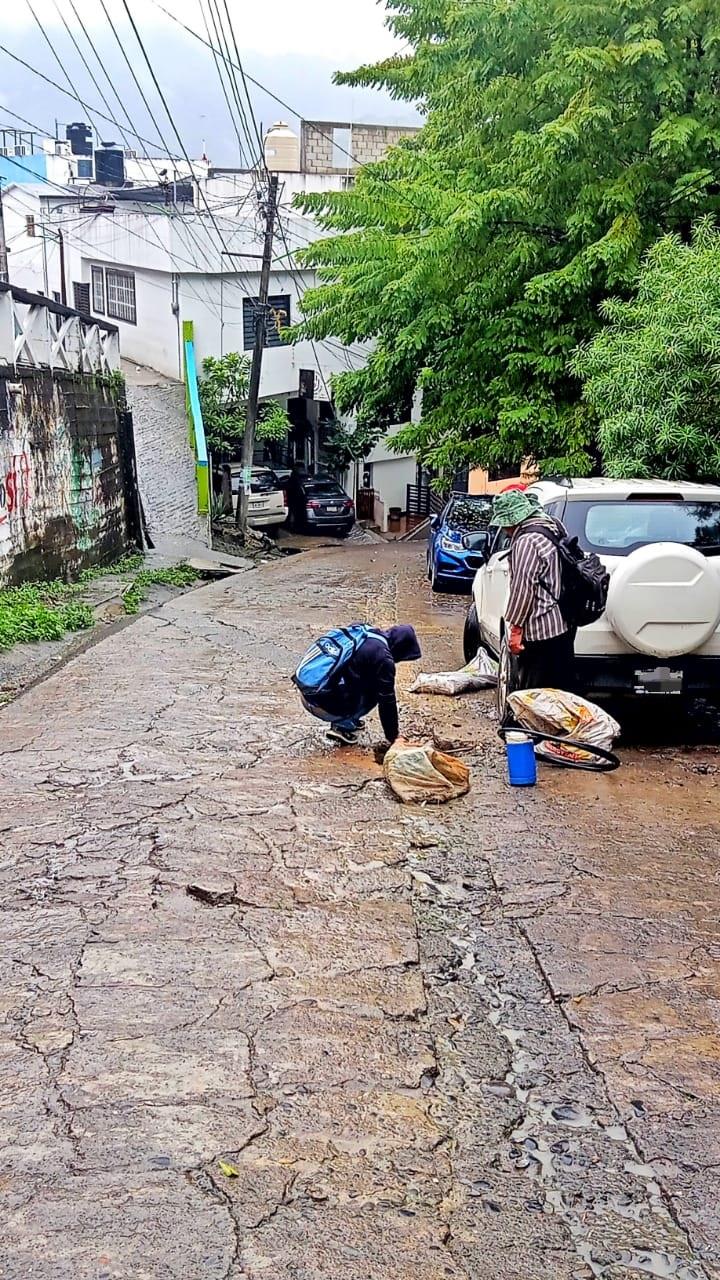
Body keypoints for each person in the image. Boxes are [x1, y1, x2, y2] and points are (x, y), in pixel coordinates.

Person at [489, 490, 575, 691]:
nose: (504, 530)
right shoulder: (552, 527)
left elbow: (523, 589)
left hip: (541, 629)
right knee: (560, 691)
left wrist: (516, 628)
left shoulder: (527, 541)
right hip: (562, 623)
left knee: (536, 694)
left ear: (512, 521)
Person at [301, 624, 422, 746]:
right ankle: (343, 726)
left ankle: (347, 716)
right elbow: (387, 700)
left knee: (364, 680)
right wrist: (393, 737)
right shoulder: (384, 659)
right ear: (400, 649)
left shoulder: (364, 630)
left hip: (307, 692)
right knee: (377, 691)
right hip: (322, 707)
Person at [287, 459, 308, 530]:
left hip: (295, 498)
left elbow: (289, 486)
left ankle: (293, 526)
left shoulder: (294, 476)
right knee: (298, 514)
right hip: (299, 498)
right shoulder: (303, 476)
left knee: (293, 513)